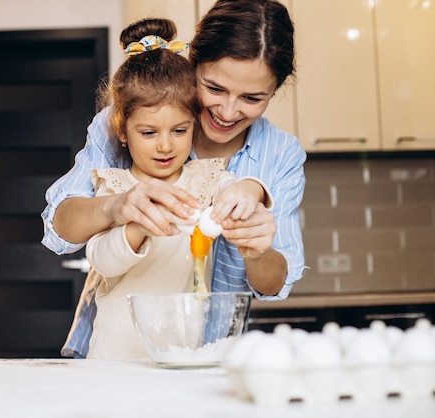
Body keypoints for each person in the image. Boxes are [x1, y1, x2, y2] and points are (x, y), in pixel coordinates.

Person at [41, 0, 306, 356]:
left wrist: (256, 241)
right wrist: (115, 208)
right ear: (191, 63)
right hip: (113, 349)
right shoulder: (126, 119)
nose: (227, 113)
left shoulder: (280, 154)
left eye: (252, 98)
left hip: (207, 352)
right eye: (214, 89)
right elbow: (61, 229)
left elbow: (272, 284)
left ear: (275, 90)